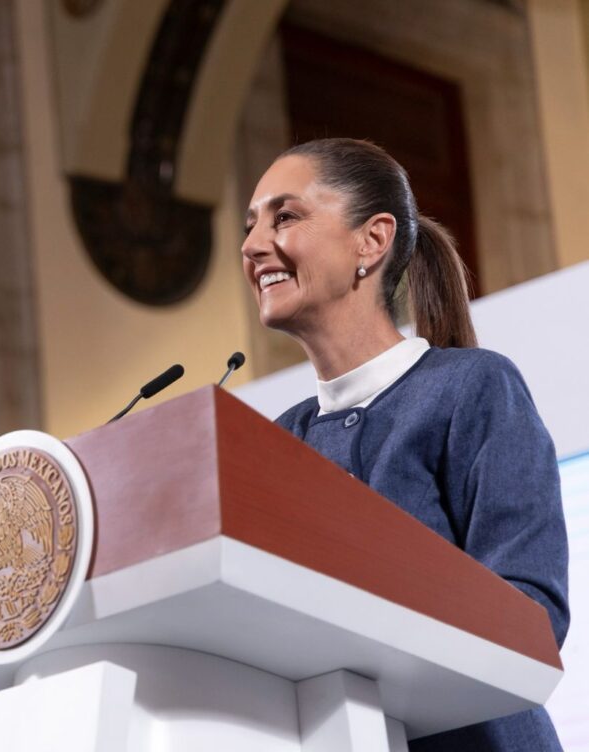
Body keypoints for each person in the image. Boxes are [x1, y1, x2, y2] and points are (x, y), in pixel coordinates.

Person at [241, 137, 570, 751]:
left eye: (284, 217)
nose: (254, 243)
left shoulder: (474, 387)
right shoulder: (279, 439)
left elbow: (532, 615)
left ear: (372, 240)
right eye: (251, 224)